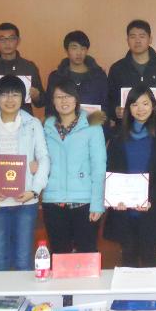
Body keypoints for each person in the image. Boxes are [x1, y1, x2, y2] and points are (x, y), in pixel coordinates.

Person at [0, 74, 49, 271]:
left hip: (25, 202)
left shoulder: (33, 125)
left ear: (23, 98)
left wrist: (34, 191)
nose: (10, 100)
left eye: (15, 95)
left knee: (23, 260)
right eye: (5, 94)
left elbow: (44, 159)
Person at [103, 85, 156, 267]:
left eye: (145, 103)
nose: (140, 109)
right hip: (123, 208)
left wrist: (151, 198)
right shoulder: (118, 134)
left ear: (153, 106)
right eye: (134, 104)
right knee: (128, 260)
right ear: (128, 108)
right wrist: (115, 197)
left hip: (151, 206)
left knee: (150, 260)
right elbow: (111, 168)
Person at [42, 80, 107, 253]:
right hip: (53, 201)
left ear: (76, 99)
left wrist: (97, 203)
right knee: (59, 255)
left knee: (86, 255)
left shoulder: (92, 125)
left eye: (68, 96)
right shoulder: (46, 127)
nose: (64, 101)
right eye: (59, 97)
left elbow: (99, 167)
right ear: (53, 101)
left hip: (84, 202)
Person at [107, 19, 156, 123]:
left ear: (150, 39)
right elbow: (109, 98)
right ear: (127, 40)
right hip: (125, 127)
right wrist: (115, 110)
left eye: (142, 36)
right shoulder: (117, 68)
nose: (137, 41)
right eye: (133, 37)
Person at [0, 22, 45, 112]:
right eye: (2, 39)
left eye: (11, 38)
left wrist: (36, 97)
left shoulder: (29, 67)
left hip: (24, 118)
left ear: (18, 41)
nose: (7, 43)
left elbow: (42, 102)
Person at [44, 30, 108, 118]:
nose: (79, 53)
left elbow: (106, 105)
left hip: (93, 124)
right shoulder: (56, 77)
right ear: (66, 50)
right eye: (74, 48)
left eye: (83, 48)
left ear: (87, 51)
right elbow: (50, 107)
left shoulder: (99, 76)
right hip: (63, 125)